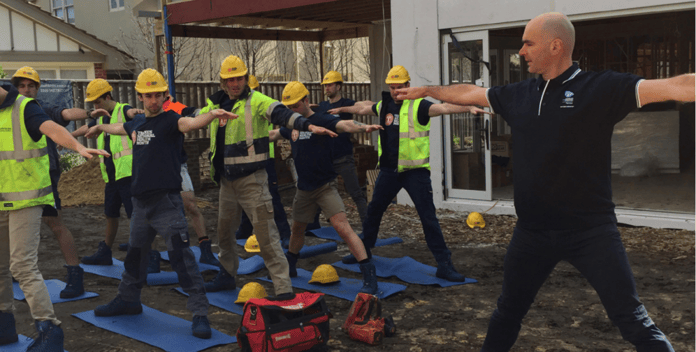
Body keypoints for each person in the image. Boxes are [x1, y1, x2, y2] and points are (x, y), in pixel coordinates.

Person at [394, 12, 694, 352]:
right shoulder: (519, 94)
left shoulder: (600, 89)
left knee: (632, 319)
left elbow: (677, 86)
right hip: (532, 233)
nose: (521, 51)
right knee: (507, 312)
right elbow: (471, 93)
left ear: (555, 46)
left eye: (528, 43)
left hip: (591, 233)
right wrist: (428, 90)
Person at [90, 69, 236, 339]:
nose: (153, 100)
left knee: (182, 257)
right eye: (148, 96)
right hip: (140, 205)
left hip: (166, 203)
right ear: (141, 97)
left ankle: (200, 313)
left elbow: (191, 124)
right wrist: (99, 127)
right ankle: (128, 300)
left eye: (158, 95)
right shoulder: (138, 124)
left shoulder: (171, 120)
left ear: (165, 95)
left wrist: (211, 116)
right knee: (135, 255)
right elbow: (120, 128)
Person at [330, 65, 486, 282]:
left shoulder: (419, 105)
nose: (396, 91)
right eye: (392, 87)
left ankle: (444, 264)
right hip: (389, 172)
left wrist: (468, 107)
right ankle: (362, 251)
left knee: (428, 218)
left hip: (415, 173)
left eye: (400, 87)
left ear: (408, 85)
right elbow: (364, 108)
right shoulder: (385, 105)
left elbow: (444, 108)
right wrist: (341, 110)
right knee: (374, 211)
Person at [196, 55, 335, 298]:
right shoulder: (216, 105)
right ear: (223, 82)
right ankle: (227, 275)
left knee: (267, 236)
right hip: (226, 183)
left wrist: (307, 125)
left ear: (245, 78)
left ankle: (283, 288)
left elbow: (282, 114)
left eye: (239, 78)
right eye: (230, 79)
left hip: (252, 181)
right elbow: (194, 116)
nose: (235, 83)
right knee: (224, 233)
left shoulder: (257, 101)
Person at [0, 83, 108, 351]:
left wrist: (77, 147)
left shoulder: (24, 107)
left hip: (29, 198)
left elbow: (53, 128)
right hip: (2, 200)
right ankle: (4, 325)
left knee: (22, 266)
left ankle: (50, 331)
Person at [270, 81, 383, 294]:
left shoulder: (321, 118)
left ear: (305, 100)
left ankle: (369, 273)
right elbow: (274, 135)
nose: (292, 110)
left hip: (324, 187)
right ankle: (291, 265)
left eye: (295, 105)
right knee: (297, 229)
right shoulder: (292, 123)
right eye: (289, 107)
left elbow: (345, 125)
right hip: (303, 189)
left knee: (343, 228)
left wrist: (364, 127)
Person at [11, 67, 106, 298]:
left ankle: (75, 274)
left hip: (42, 178)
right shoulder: (7, 111)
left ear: (37, 89)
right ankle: (15, 271)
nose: (26, 90)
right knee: (11, 230)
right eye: (21, 86)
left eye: (30, 85)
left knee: (55, 224)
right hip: (13, 182)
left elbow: (65, 114)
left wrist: (88, 114)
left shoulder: (40, 109)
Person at [73, 78, 143, 266]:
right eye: (93, 103)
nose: (96, 105)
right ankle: (105, 251)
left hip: (128, 173)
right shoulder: (102, 117)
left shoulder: (123, 110)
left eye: (98, 101)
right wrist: (68, 137)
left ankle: (144, 252)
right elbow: (87, 127)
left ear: (108, 96)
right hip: (111, 175)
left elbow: (131, 112)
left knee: (135, 215)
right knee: (110, 214)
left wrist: (134, 112)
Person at [234, 75, 293, 249]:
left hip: (265, 157)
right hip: (246, 158)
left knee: (272, 197)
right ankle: (245, 229)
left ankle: (284, 233)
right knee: (245, 196)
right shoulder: (239, 108)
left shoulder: (260, 105)